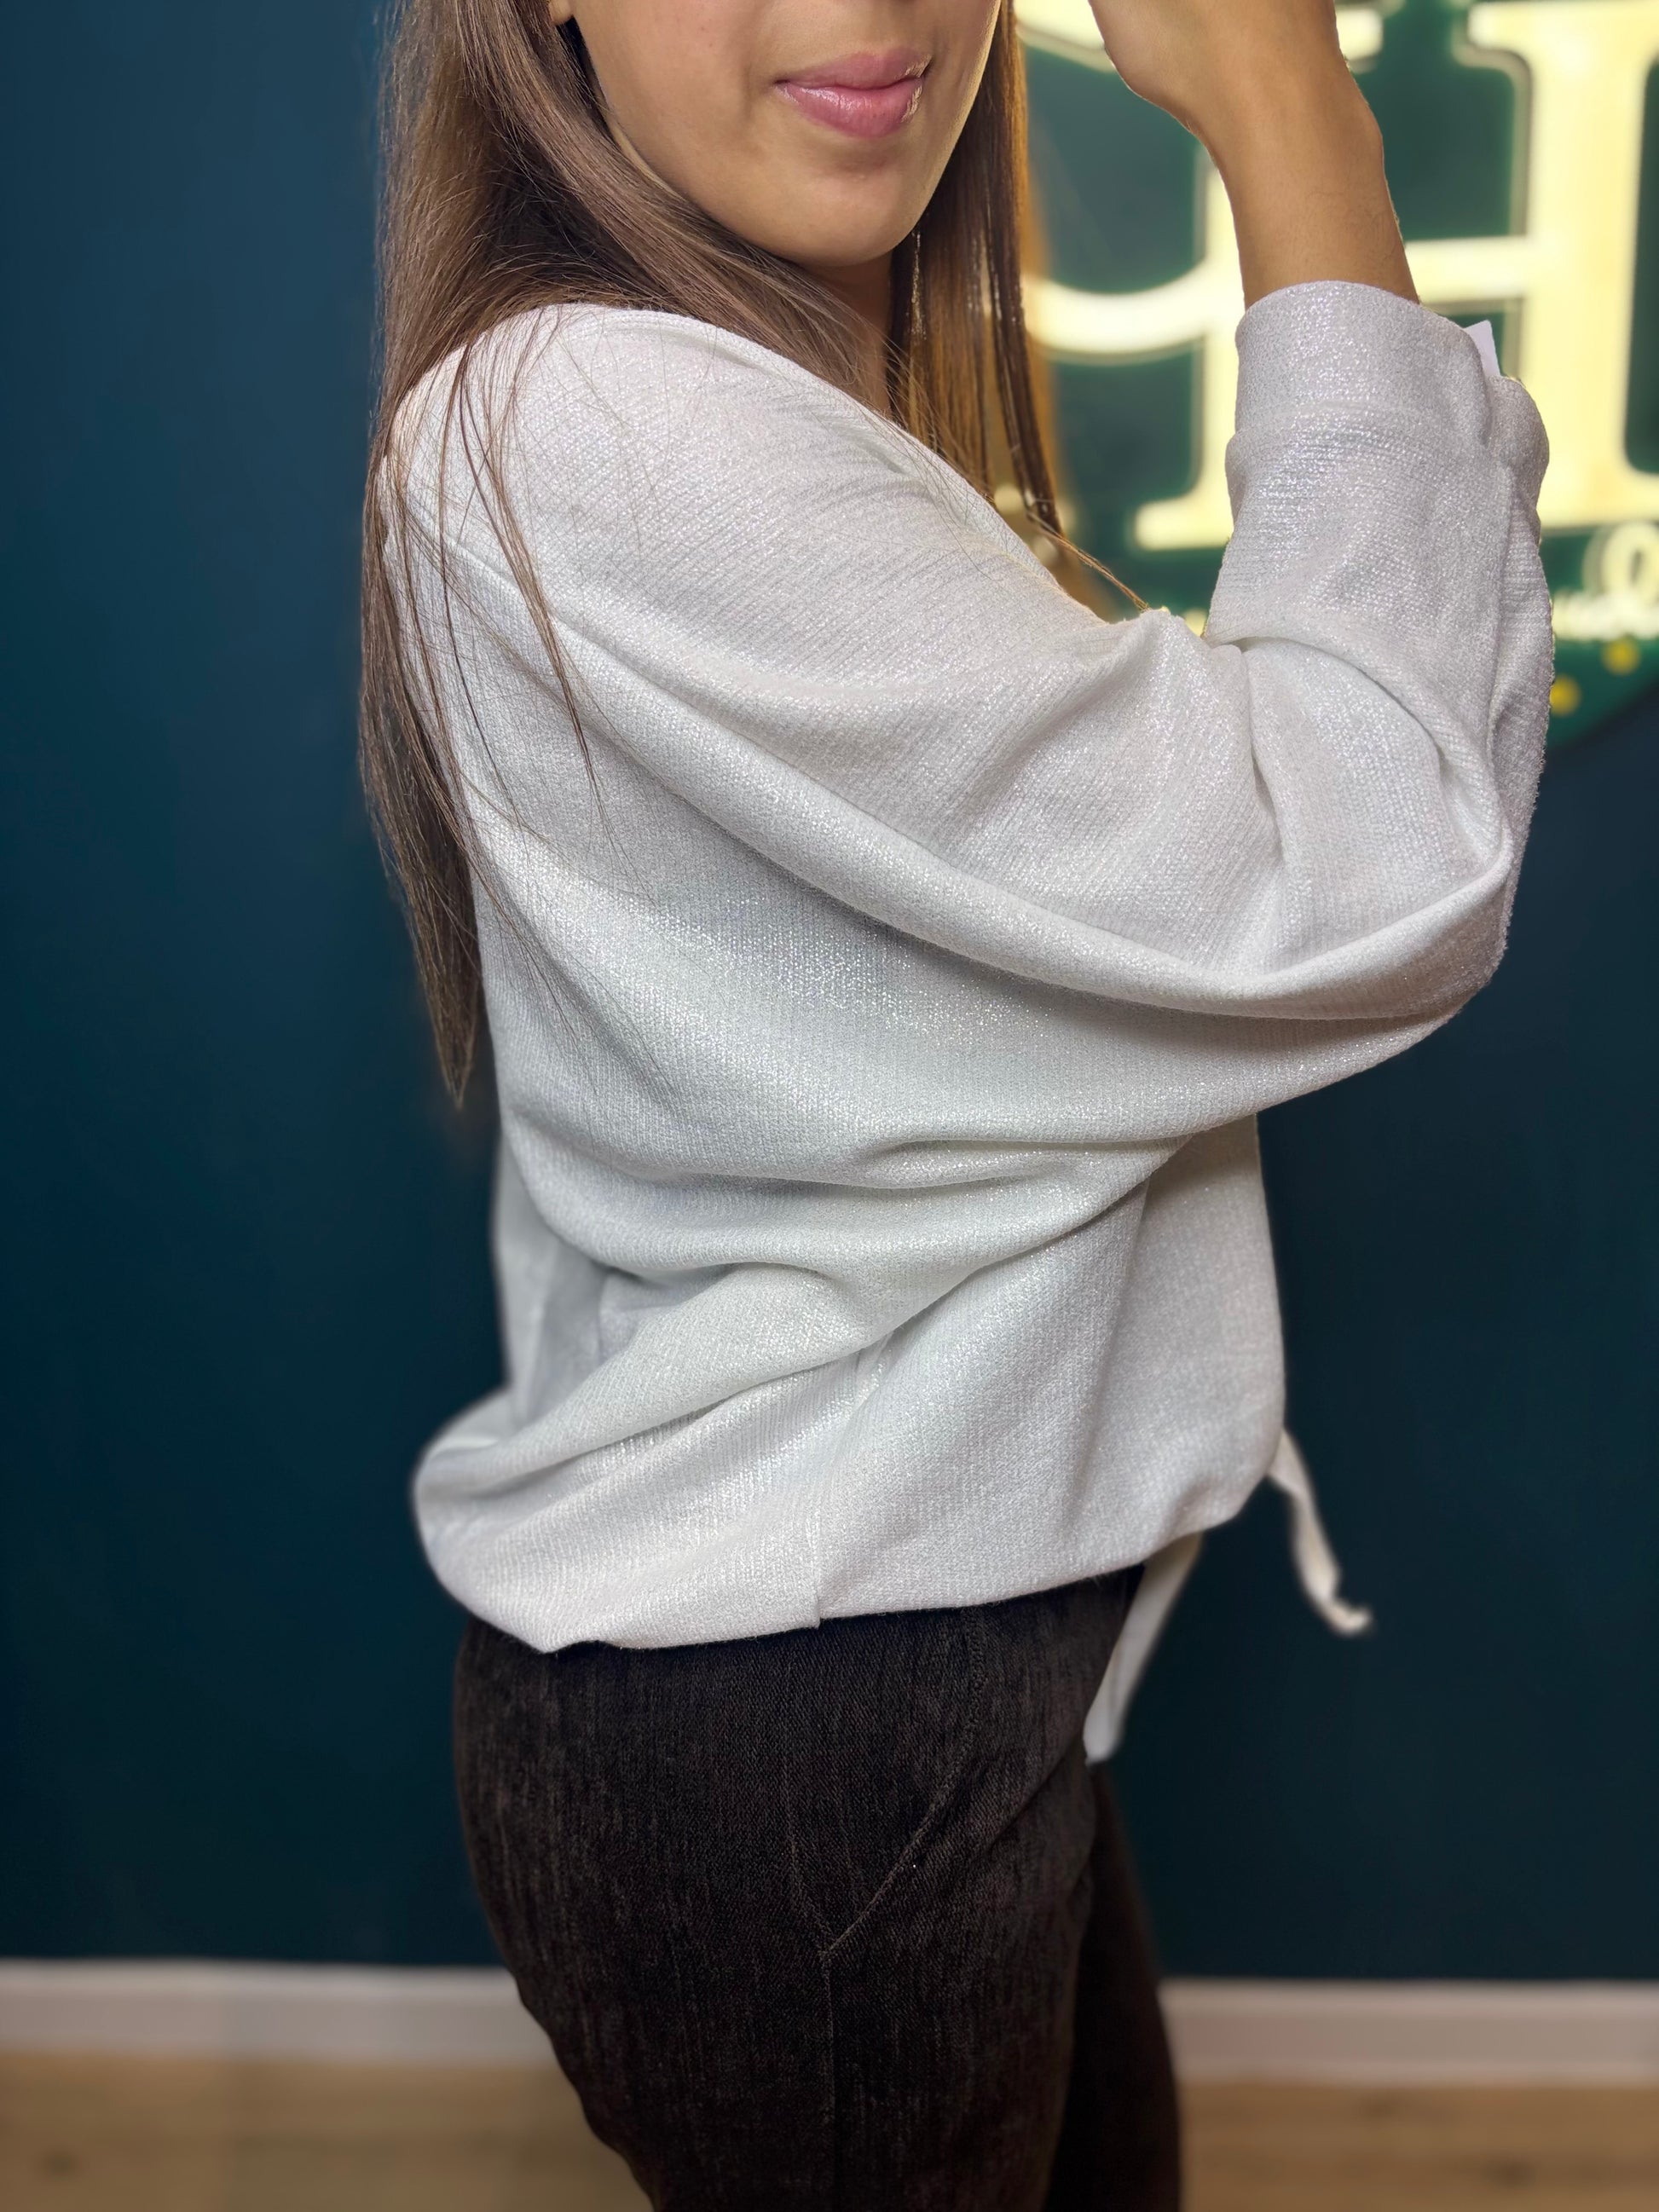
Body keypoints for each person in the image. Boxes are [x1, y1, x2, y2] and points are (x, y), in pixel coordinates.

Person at [360, 0, 1552, 2203]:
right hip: (803, 1728)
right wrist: (1288, 104)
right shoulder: (588, 426)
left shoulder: (720, 388)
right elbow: (1382, 843)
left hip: (904, 1661)